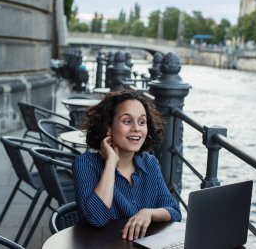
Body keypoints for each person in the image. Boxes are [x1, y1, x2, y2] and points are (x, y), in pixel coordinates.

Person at [72, 90, 182, 241]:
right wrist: (111, 162)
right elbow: (97, 218)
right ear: (108, 127)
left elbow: (174, 211)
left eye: (142, 122)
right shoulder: (85, 163)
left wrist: (148, 213)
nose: (136, 128)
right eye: (127, 121)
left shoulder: (149, 163)